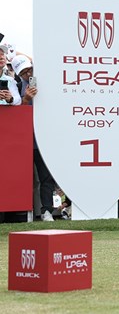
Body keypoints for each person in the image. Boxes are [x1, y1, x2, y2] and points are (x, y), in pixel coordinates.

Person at [10, 55, 59, 221]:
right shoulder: (15, 86)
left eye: (29, 69)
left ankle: (47, 211)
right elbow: (15, 112)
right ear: (18, 74)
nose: (28, 73)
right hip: (23, 140)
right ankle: (26, 211)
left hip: (43, 139)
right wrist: (26, 100)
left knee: (46, 177)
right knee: (24, 178)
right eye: (24, 72)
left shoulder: (45, 81)